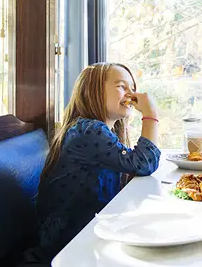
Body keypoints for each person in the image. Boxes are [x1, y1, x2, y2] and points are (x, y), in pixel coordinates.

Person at [20, 62, 161, 265]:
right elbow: (143, 163)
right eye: (122, 86)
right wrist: (151, 116)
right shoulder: (88, 130)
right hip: (67, 244)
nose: (132, 95)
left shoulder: (101, 132)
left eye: (133, 88)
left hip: (87, 233)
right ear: (91, 91)